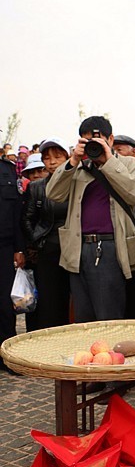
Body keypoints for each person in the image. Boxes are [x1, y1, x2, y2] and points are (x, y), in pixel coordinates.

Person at [45, 116, 135, 322]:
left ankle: (109, 353)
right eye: (86, 142)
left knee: (108, 314)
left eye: (98, 141)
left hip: (111, 247)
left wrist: (108, 162)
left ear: (110, 139)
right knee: (83, 315)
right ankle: (90, 353)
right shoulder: (78, 167)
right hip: (78, 248)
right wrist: (73, 159)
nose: (93, 146)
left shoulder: (130, 164)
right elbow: (53, 194)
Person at [21, 137, 71, 331]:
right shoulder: (37, 187)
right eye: (47, 157)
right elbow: (27, 218)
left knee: (72, 301)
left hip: (75, 250)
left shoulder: (77, 183)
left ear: (67, 157)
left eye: (57, 156)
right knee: (49, 302)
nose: (52, 161)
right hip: (48, 250)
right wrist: (36, 241)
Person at [0, 148, 25, 372]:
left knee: (5, 305)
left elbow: (16, 213)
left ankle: (7, 357)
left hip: (4, 246)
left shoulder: (8, 170)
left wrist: (19, 248)